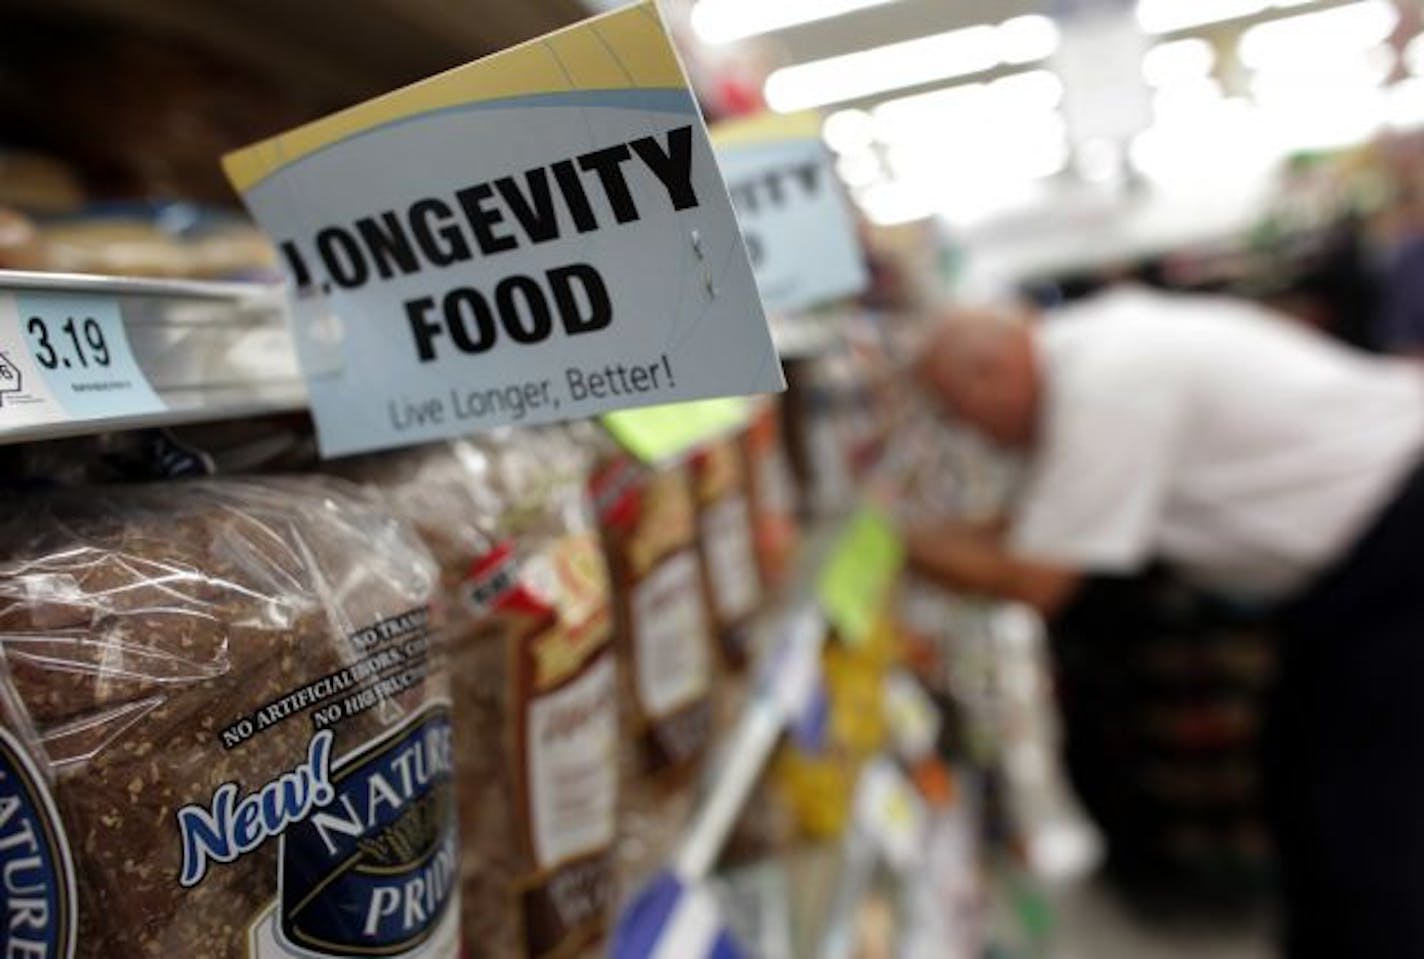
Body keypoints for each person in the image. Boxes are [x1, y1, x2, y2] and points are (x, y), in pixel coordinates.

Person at [909, 285, 1424, 959]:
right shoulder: (1092, 353)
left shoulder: (1105, 385)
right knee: (1301, 777)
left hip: (1394, 547)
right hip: (1352, 565)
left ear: (990, 372)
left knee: (1369, 811)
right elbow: (1031, 523)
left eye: (959, 414)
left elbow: (1036, 579)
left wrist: (889, 542)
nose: (971, 435)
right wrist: (922, 535)